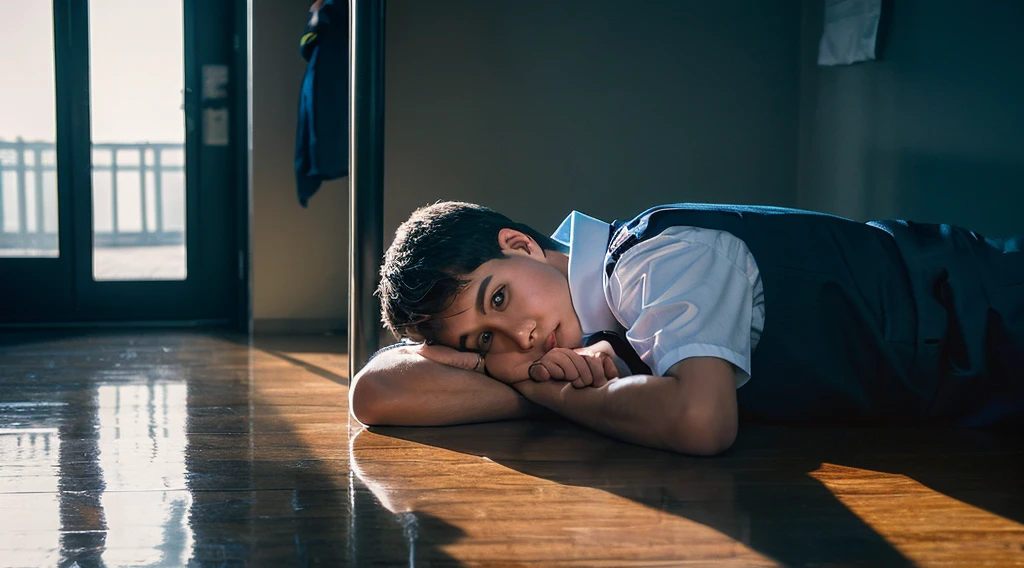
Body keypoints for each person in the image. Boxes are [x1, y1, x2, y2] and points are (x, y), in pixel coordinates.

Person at [349, 201, 1024, 455]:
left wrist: (549, 390)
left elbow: (702, 422)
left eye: (499, 300)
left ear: (522, 246)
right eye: (481, 344)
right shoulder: (576, 326)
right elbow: (376, 395)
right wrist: (519, 369)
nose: (519, 339)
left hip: (997, 314)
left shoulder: (659, 258)